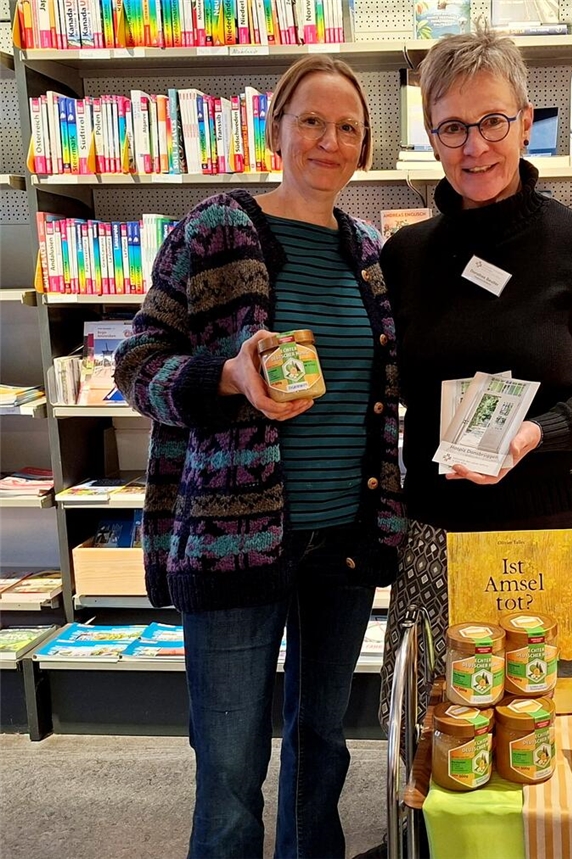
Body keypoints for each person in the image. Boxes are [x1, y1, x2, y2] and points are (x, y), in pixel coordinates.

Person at [113, 55, 405, 859]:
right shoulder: (213, 230)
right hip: (233, 539)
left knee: (322, 742)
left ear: (364, 146)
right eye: (310, 119)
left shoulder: (368, 254)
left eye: (347, 126)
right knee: (233, 765)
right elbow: (137, 367)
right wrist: (228, 375)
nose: (328, 139)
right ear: (275, 127)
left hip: (342, 540)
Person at [378, 28, 572, 722]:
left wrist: (535, 433)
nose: (475, 146)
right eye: (454, 127)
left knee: (543, 724)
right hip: (440, 533)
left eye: (493, 121)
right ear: (432, 136)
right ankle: (428, 839)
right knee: (434, 720)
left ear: (527, 122)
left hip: (552, 532)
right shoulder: (405, 254)